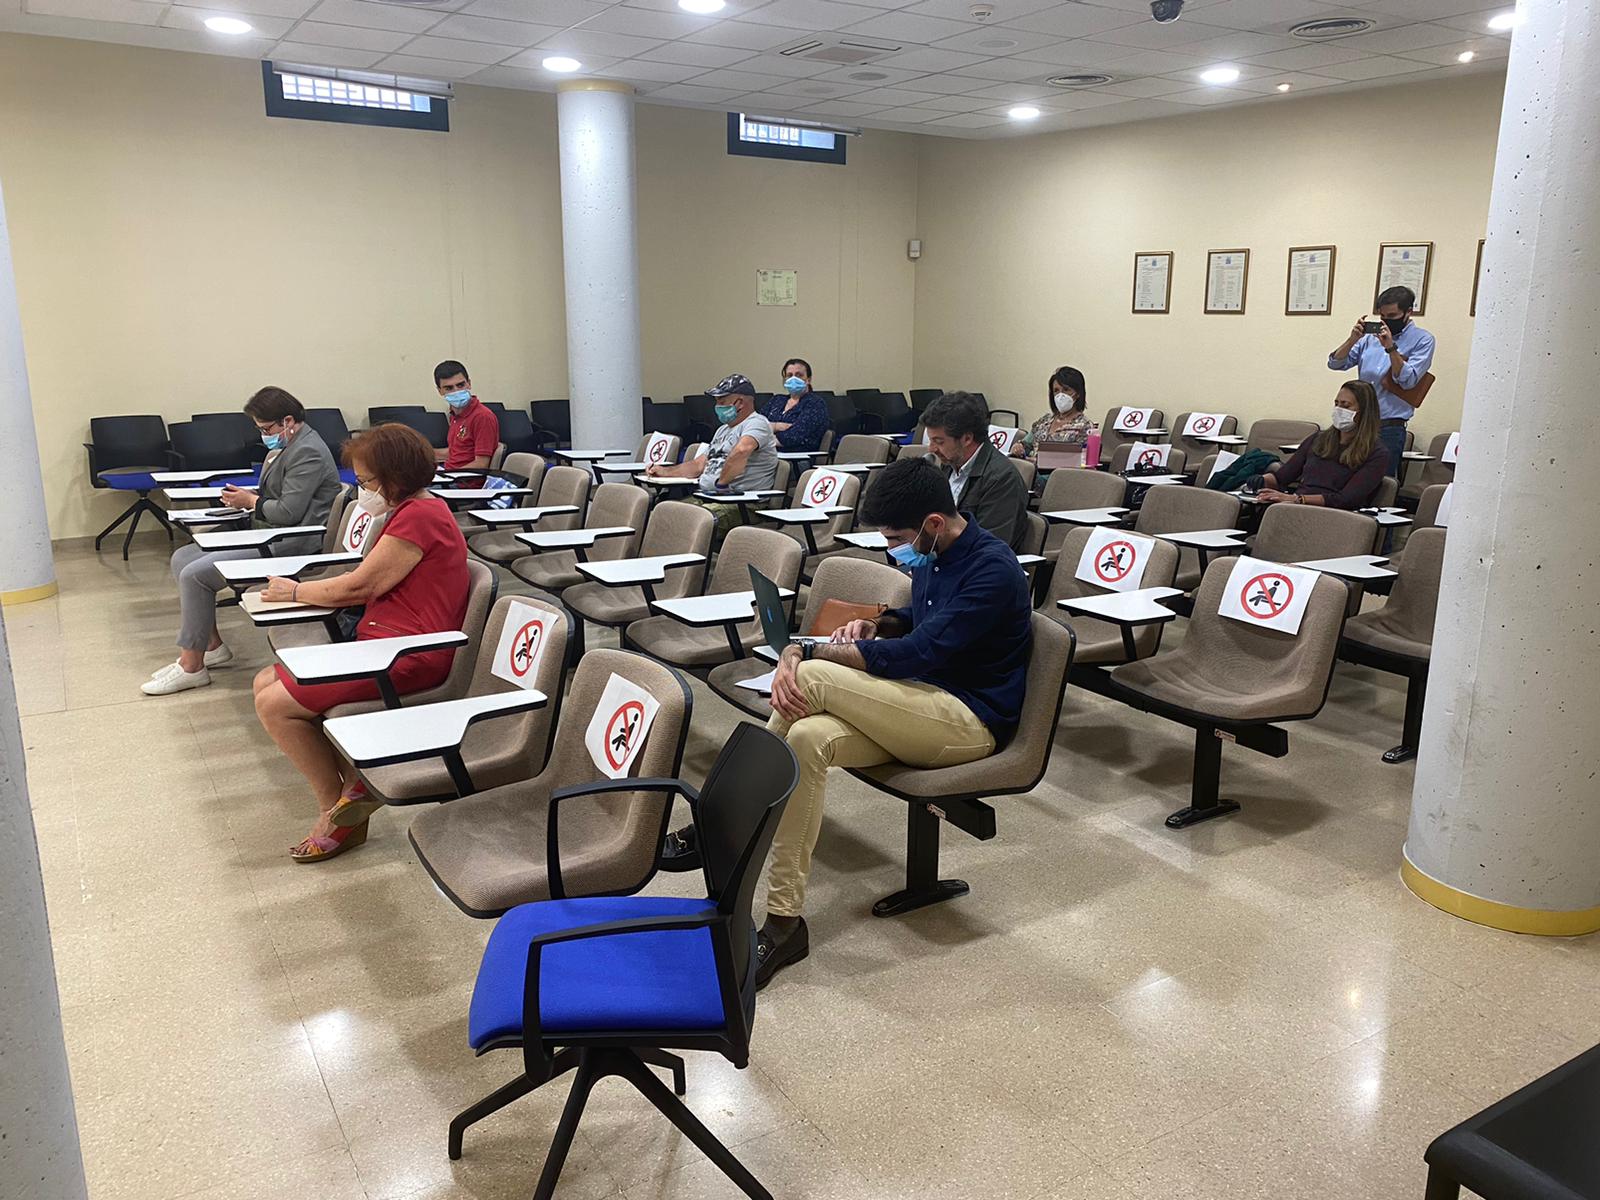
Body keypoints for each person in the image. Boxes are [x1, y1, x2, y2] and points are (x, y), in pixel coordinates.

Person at [757, 457, 1033, 987]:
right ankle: (784, 920)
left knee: (810, 675)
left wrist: (801, 650)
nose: (892, 550)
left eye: (897, 538)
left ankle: (733, 809)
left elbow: (919, 652)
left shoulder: (993, 570)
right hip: (922, 704)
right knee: (808, 736)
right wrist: (879, 622)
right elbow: (920, 621)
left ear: (934, 523)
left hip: (969, 721)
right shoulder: (935, 553)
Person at [252, 423, 471, 863]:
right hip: (382, 642)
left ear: (395, 476)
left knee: (274, 706)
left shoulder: (421, 517)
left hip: (408, 654)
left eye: (367, 481)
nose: (362, 490)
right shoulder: (409, 511)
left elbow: (359, 587)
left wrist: (295, 592)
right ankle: (353, 792)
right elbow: (364, 581)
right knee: (263, 683)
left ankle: (334, 813)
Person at [143, 387, 340, 697]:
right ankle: (211, 646)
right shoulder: (289, 445)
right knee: (182, 558)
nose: (263, 435)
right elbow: (279, 497)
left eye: (266, 429)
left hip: (293, 541)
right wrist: (248, 498)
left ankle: (192, 666)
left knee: (195, 575)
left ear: (288, 421)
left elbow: (288, 512)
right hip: (269, 530)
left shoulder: (307, 451)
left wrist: (250, 501)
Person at [644, 373, 778, 537]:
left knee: (686, 525)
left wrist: (721, 485)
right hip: (709, 498)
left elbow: (742, 451)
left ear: (740, 403)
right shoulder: (723, 430)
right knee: (659, 516)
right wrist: (665, 471)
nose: (717, 406)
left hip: (741, 505)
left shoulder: (757, 423)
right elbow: (698, 465)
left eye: (722, 401)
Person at [1326, 286, 1436, 477]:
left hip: (1389, 427)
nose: (1386, 321)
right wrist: (1353, 339)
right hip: (1360, 423)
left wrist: (1391, 348)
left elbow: (1408, 381)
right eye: (1382, 316)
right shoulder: (1369, 339)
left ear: (1408, 312)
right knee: (1347, 477)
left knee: (1381, 482)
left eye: (1392, 315)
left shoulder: (1423, 340)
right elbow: (1335, 364)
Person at [1252, 381, 1388, 510]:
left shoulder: (1377, 453)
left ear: (1364, 411)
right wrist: (1262, 480)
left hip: (1337, 515)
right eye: (1336, 404)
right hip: (1297, 507)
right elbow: (1283, 477)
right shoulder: (1318, 439)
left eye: (1346, 406)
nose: (1339, 410)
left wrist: (1298, 499)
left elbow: (1346, 500)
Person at [921, 390, 1029, 551]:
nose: (932, 449)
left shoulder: (1001, 479)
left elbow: (988, 547)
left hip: (973, 563)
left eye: (939, 441)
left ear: (967, 438)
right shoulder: (948, 465)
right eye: (931, 441)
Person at [1014, 366, 1094, 460]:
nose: (1060, 395)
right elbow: (1026, 444)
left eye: (1066, 390)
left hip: (1059, 469)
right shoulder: (1045, 420)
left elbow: (1081, 462)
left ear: (1078, 393)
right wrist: (1018, 447)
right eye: (1056, 390)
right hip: (1030, 468)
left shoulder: (1085, 426)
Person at [435, 359, 499, 470]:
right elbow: (456, 452)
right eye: (449, 388)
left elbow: (481, 464)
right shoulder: (454, 415)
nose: (456, 391)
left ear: (469, 383)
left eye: (460, 385)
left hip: (465, 479)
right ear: (440, 391)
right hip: (450, 473)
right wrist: (422, 452)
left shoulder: (482, 417)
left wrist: (447, 475)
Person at [760, 357, 828, 452]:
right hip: (767, 453)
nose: (793, 379)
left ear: (808, 380)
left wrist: (761, 438)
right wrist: (776, 426)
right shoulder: (777, 400)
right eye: (789, 375)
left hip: (796, 456)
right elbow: (755, 425)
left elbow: (793, 437)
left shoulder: (815, 404)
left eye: (799, 375)